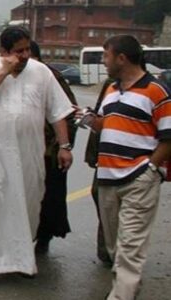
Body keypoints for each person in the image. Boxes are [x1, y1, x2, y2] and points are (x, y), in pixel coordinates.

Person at [0, 27, 74, 289]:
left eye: (27, 49)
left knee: (27, 208)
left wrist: (64, 145)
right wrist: (3, 71)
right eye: (19, 51)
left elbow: (57, 112)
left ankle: (21, 260)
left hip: (28, 157)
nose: (25, 55)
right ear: (4, 52)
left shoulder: (41, 72)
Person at [80, 35, 169, 300]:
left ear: (122, 58)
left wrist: (150, 169)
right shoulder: (110, 89)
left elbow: (169, 136)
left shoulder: (156, 91)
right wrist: (88, 120)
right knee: (115, 248)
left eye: (106, 56)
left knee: (130, 249)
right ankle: (126, 289)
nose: (103, 62)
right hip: (107, 179)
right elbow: (107, 124)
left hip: (137, 180)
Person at [30, 41, 78, 254]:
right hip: (25, 149)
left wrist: (62, 147)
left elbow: (67, 114)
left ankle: (44, 237)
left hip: (48, 151)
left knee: (49, 197)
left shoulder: (52, 78)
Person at [84, 77, 114, 265]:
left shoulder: (151, 88)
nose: (104, 61)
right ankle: (107, 250)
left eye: (106, 56)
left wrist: (154, 166)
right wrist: (92, 153)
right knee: (99, 194)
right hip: (106, 157)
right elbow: (98, 118)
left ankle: (119, 253)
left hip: (134, 164)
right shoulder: (110, 85)